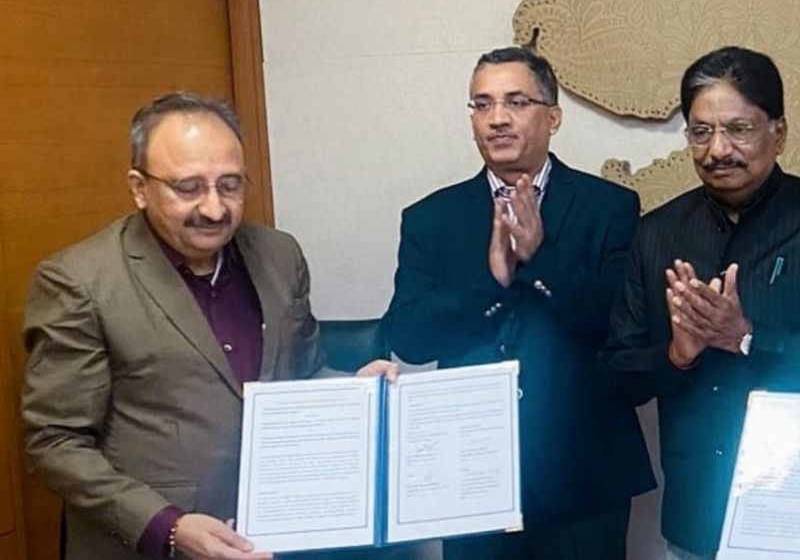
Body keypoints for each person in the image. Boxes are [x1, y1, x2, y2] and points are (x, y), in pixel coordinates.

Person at [602, 46, 800, 559]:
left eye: (739, 129)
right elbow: (618, 375)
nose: (718, 150)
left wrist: (747, 339)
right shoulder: (655, 233)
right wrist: (678, 355)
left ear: (778, 132)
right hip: (697, 517)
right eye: (701, 131)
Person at [372, 46, 655, 560]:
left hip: (583, 476)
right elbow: (409, 337)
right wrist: (492, 281)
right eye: (481, 105)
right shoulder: (431, 218)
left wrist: (539, 259)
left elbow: (620, 331)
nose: (496, 119)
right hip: (470, 478)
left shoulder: (609, 207)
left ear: (553, 116)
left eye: (516, 102)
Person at [22, 92, 328, 560]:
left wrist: (360, 391)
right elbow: (55, 442)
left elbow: (302, 376)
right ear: (139, 188)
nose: (214, 208)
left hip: (273, 538)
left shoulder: (280, 255)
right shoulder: (79, 281)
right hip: (150, 546)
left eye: (230, 185)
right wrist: (168, 526)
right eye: (188, 188)